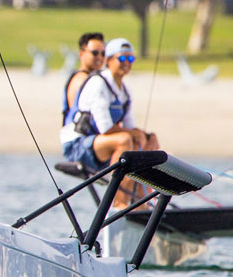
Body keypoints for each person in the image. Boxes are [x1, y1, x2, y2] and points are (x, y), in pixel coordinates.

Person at [60, 38, 159, 209]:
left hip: (99, 144)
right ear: (108, 60)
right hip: (77, 144)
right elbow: (106, 128)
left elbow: (130, 127)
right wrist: (135, 135)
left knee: (146, 141)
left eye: (130, 59)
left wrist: (146, 137)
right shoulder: (98, 83)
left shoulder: (125, 91)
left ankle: (142, 207)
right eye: (121, 58)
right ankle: (118, 205)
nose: (126, 63)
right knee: (125, 140)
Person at [61, 32, 105, 126]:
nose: (99, 57)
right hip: (78, 136)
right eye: (95, 53)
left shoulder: (92, 78)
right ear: (81, 54)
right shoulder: (81, 80)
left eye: (103, 53)